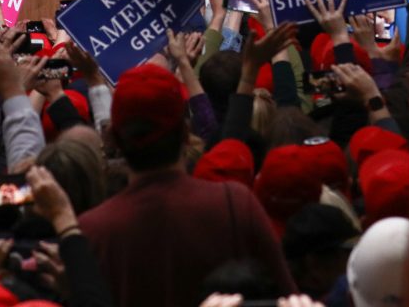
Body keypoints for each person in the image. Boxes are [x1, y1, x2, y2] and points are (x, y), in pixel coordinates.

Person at [79, 63, 295, 306]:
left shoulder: (91, 232)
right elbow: (289, 297)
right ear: (185, 132)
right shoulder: (234, 203)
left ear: (114, 139)